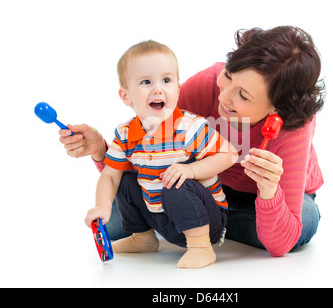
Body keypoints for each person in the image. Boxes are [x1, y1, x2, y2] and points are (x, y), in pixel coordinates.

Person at [60, 26, 325, 257]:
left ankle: (197, 228)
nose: (223, 97)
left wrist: (268, 192)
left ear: (276, 109)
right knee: (117, 226)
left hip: (259, 194)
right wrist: (101, 151)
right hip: (200, 186)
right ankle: (199, 225)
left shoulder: (294, 127)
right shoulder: (207, 85)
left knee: (304, 220)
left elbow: (280, 246)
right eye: (229, 76)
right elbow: (147, 158)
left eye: (243, 96)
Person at [84, 40, 237, 269]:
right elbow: (109, 176)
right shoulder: (125, 133)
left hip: (206, 220)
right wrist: (103, 207)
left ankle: (201, 248)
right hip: (162, 219)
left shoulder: (189, 127)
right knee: (125, 179)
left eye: (166, 80)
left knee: (176, 180)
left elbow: (230, 154)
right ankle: (143, 238)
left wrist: (191, 169)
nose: (158, 89)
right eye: (146, 82)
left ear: (177, 89)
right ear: (126, 97)